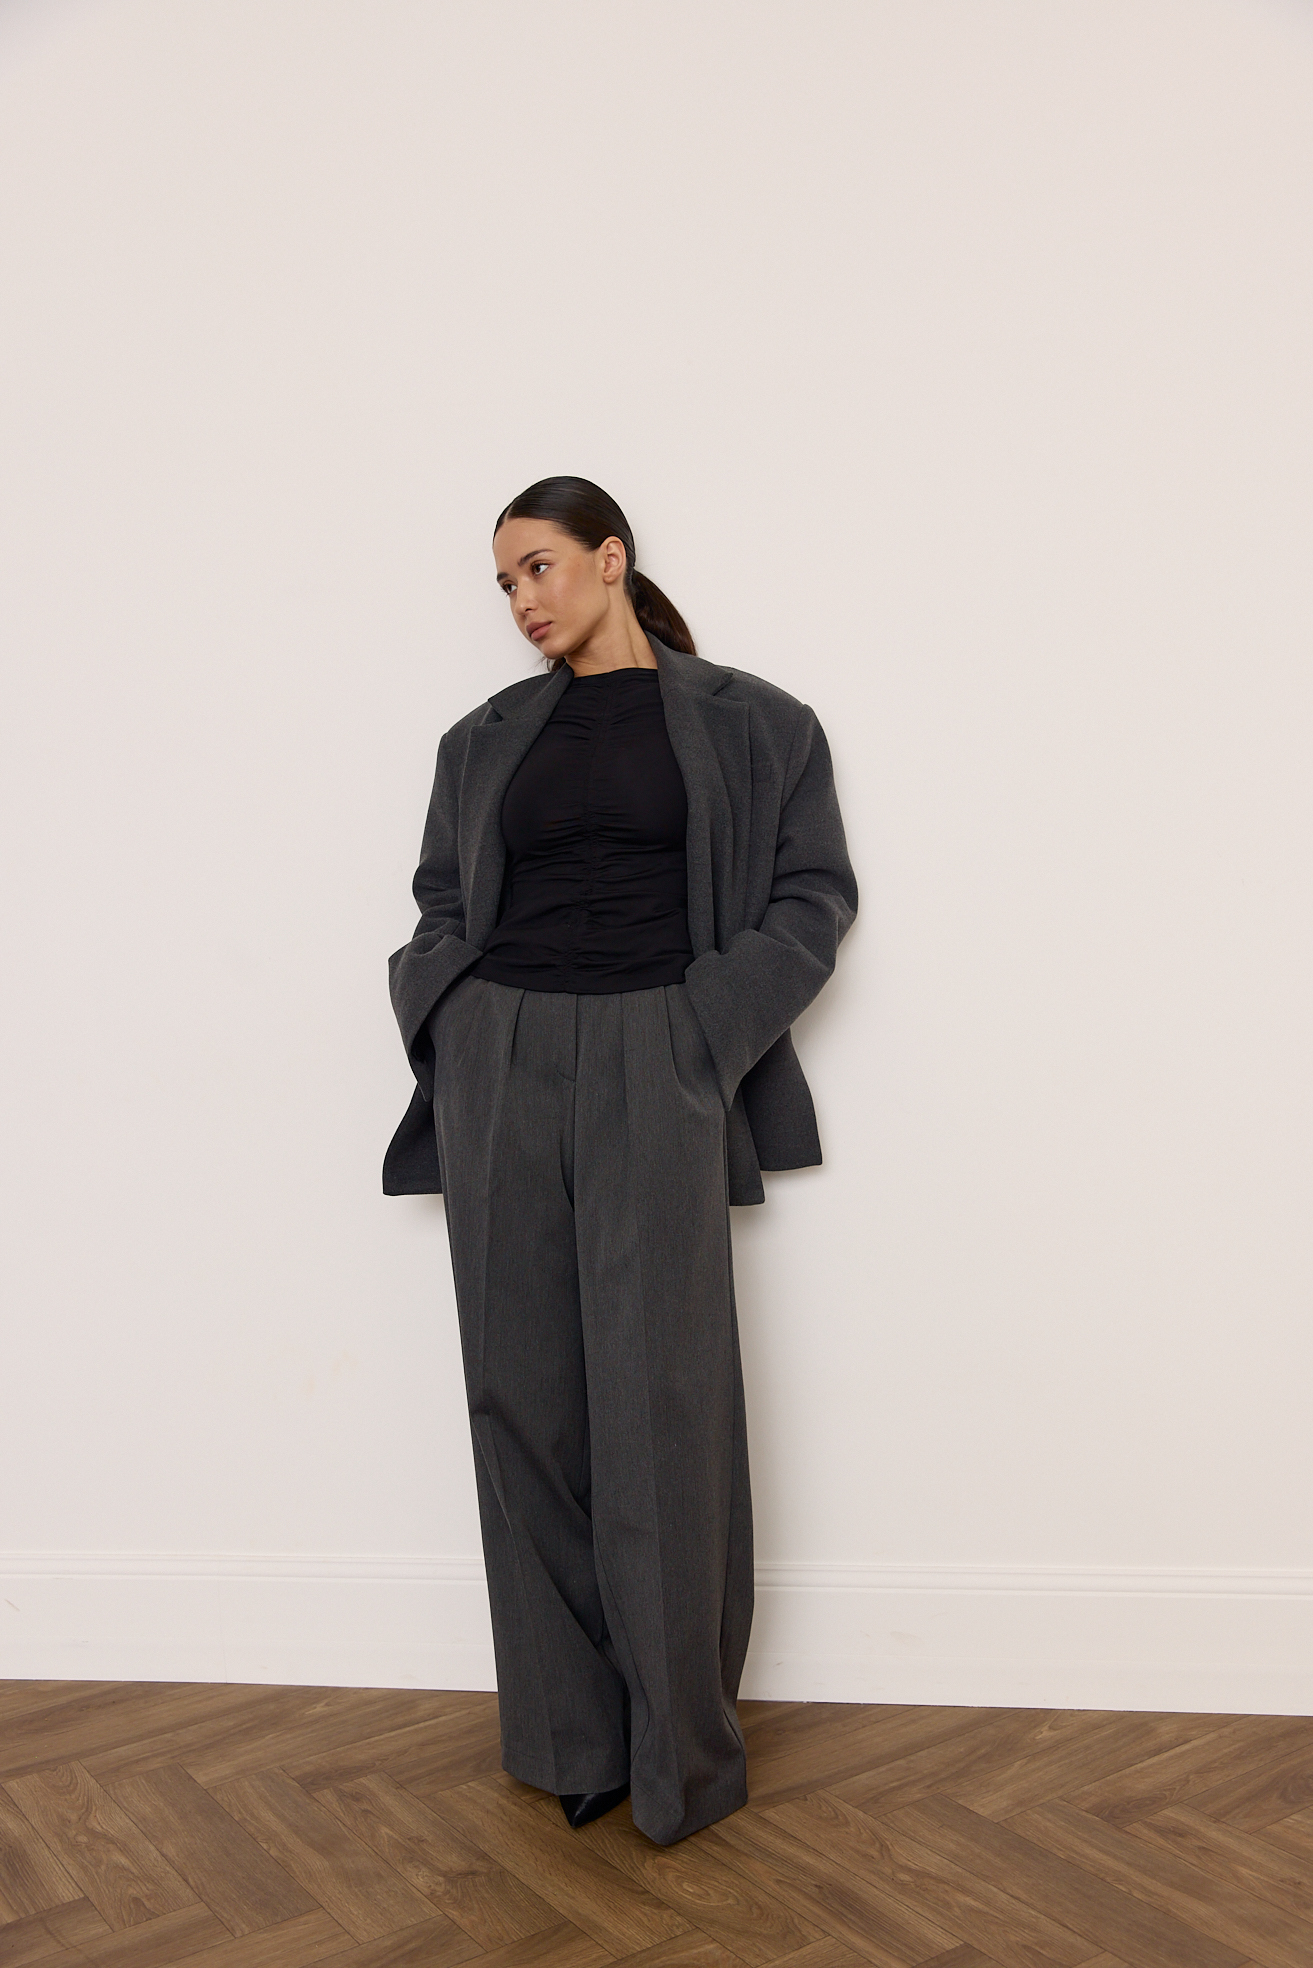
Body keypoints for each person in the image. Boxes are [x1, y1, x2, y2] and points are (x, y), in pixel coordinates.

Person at [384, 477, 856, 1845]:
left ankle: (680, 1753)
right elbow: (441, 901)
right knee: (519, 1399)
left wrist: (704, 1028)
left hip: (661, 1054)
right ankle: (566, 1741)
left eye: (537, 567)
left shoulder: (757, 723)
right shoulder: (480, 740)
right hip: (503, 1062)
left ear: (610, 557)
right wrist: (455, 1019)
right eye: (503, 583)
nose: (521, 601)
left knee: (661, 1405)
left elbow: (813, 895)